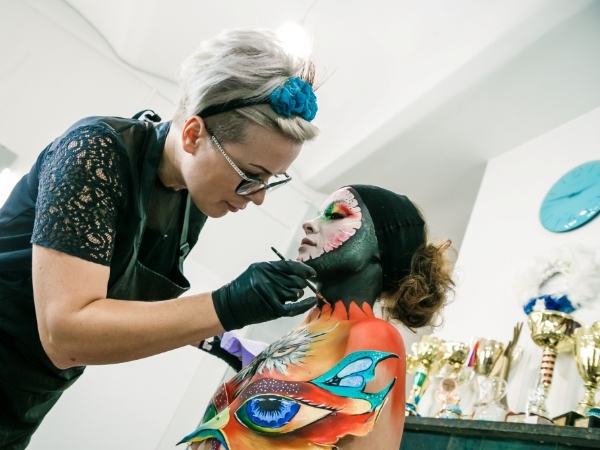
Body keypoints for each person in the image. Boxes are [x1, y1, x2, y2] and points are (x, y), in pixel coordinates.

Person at [0, 29, 322, 449]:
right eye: (251, 175)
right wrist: (228, 304)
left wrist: (224, 341)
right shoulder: (95, 151)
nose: (258, 196)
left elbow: (127, 308)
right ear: (193, 134)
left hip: (22, 406)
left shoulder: (192, 202)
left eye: (270, 181)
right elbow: (65, 335)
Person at [181, 185, 455, 450]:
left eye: (335, 216)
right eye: (318, 214)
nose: (309, 224)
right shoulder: (307, 329)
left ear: (380, 247)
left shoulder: (372, 334)